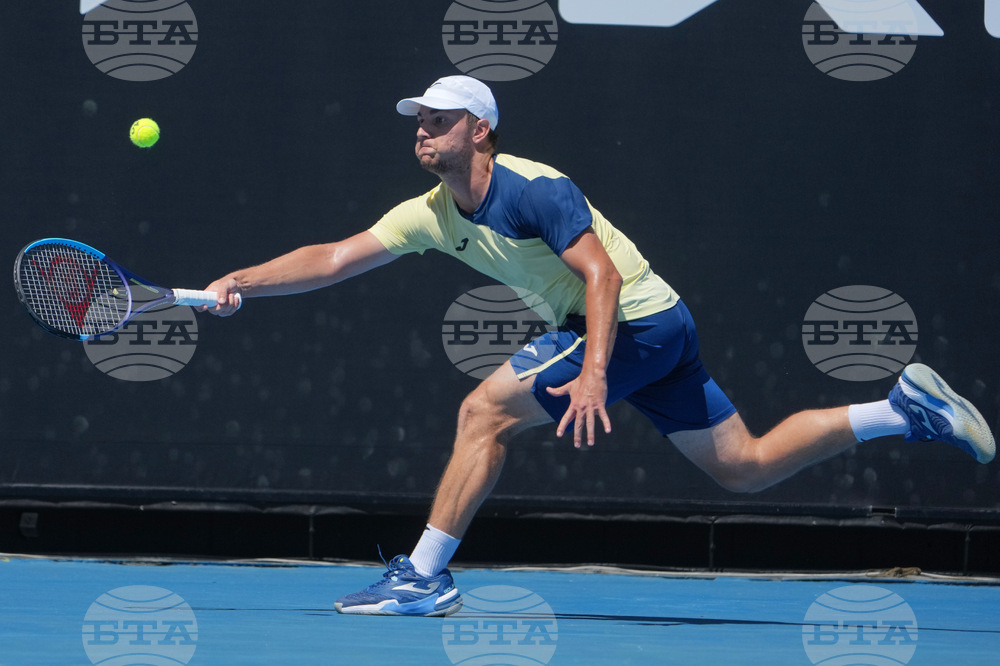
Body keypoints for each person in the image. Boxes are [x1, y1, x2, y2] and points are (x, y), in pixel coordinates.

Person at [202, 75, 996, 617]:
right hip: (656, 329)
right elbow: (333, 259)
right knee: (744, 465)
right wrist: (244, 280)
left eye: (439, 120)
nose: (423, 131)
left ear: (480, 130)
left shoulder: (534, 189)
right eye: (419, 121)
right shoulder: (432, 212)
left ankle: (423, 578)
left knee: (483, 412)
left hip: (632, 325)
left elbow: (602, 277)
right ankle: (903, 411)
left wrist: (593, 372)